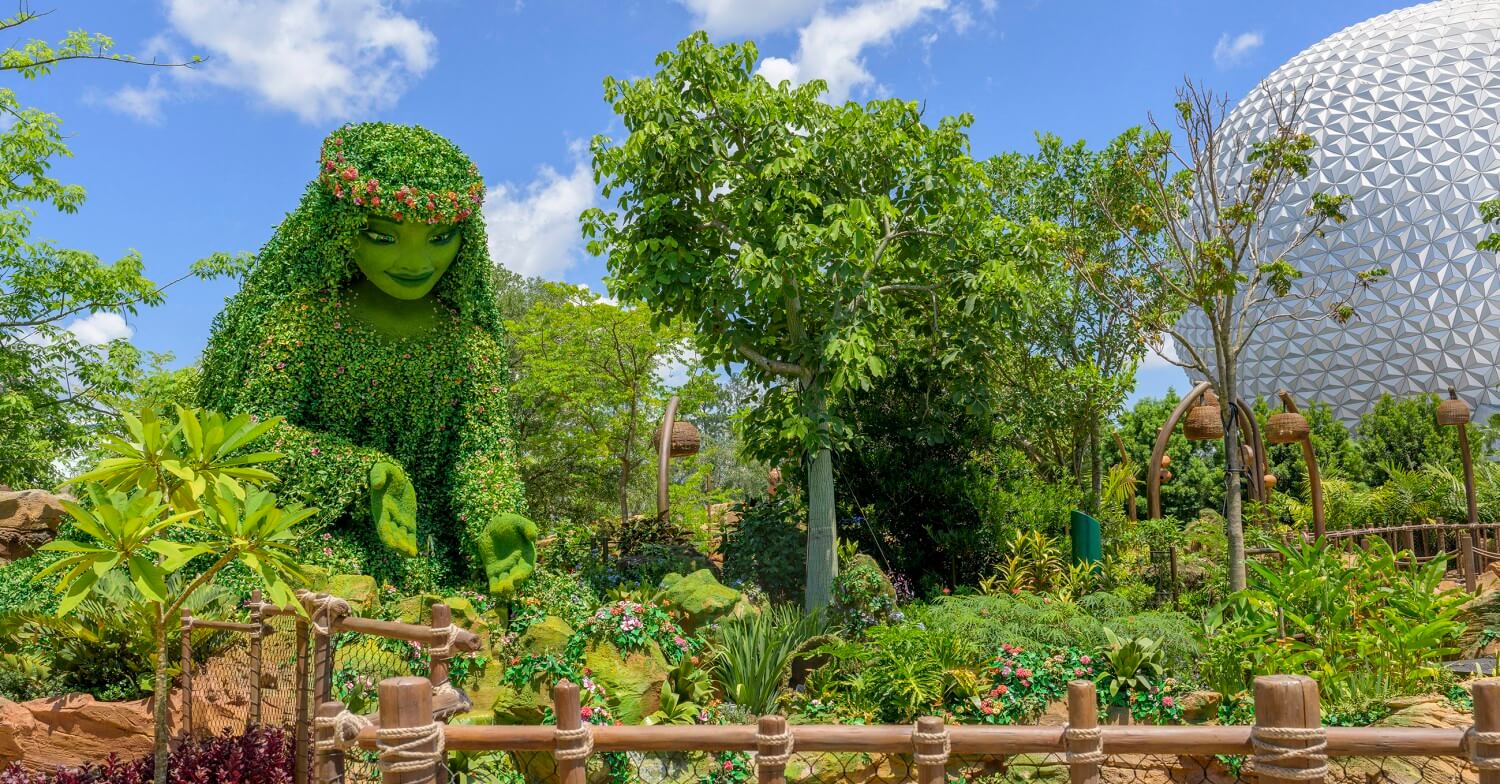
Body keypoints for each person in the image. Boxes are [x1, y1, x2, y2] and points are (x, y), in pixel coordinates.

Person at [199, 122, 535, 593]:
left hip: (431, 552)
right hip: (308, 535)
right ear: (340, 229)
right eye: (383, 236)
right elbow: (252, 436)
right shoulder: (302, 324)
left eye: (439, 238)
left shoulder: (470, 345)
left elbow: (481, 450)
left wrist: (495, 516)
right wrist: (362, 474)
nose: (416, 262)